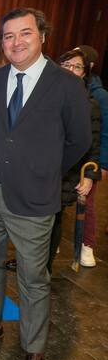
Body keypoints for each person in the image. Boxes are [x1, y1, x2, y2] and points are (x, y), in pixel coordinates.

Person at [0, 8, 92, 360]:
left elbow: (79, 140)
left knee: (33, 277)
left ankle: (34, 351)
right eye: (8, 36)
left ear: (42, 36)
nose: (16, 42)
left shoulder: (67, 85)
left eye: (24, 33)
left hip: (35, 196)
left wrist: (45, 170)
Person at [51, 49, 101, 269]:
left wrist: (89, 175)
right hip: (41, 167)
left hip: (68, 170)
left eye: (77, 66)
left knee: (54, 217)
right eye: (67, 65)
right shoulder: (45, 96)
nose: (71, 70)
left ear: (84, 73)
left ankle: (44, 267)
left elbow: (94, 143)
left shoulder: (89, 104)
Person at [75, 45, 108, 237]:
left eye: (78, 63)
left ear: (89, 66)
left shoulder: (100, 95)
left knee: (86, 204)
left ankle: (87, 244)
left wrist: (103, 164)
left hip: (90, 159)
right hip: (72, 156)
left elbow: (104, 133)